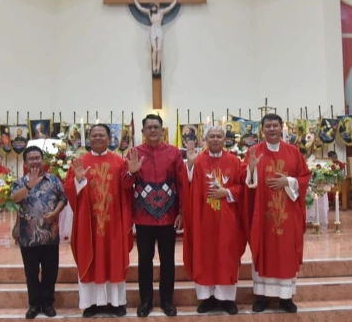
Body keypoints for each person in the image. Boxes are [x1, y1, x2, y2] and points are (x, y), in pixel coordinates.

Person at [64, 124, 135, 317]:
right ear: (89, 138)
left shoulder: (119, 162)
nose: (97, 138)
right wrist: (78, 181)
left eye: (101, 135)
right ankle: (91, 303)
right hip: (90, 223)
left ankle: (116, 302)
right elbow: (69, 190)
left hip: (113, 223)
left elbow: (128, 189)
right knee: (92, 257)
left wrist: (132, 174)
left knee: (114, 259)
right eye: (93, 135)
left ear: (109, 137)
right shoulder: (79, 162)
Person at [243, 114, 311, 314]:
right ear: (262, 129)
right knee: (263, 251)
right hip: (263, 215)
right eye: (268, 126)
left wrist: (288, 182)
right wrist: (252, 169)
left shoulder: (293, 152)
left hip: (287, 214)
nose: (271, 129)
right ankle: (261, 296)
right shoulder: (254, 152)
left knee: (285, 253)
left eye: (275, 125)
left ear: (282, 128)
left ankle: (286, 298)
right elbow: (245, 181)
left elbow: (304, 177)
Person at [183, 127, 246, 315]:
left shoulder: (234, 161)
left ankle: (227, 300)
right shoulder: (199, 160)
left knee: (226, 257)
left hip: (228, 221)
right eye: (212, 136)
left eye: (219, 136)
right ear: (206, 138)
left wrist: (226, 192)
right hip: (203, 219)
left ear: (225, 139)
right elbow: (187, 185)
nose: (216, 139)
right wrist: (190, 165)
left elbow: (243, 187)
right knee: (205, 256)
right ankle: (207, 299)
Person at [129, 114, 186, 317]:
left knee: (167, 260)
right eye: (149, 127)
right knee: (144, 260)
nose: (153, 130)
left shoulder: (174, 153)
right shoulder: (133, 153)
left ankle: (167, 301)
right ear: (143, 132)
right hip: (143, 217)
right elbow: (125, 186)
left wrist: (181, 212)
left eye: (156, 127)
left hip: (168, 216)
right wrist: (130, 172)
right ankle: (145, 301)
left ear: (162, 131)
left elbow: (182, 184)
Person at [11, 146, 67, 319]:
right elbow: (14, 198)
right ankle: (34, 304)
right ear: (25, 162)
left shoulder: (53, 180)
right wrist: (29, 185)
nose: (35, 161)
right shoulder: (20, 182)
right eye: (31, 158)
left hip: (50, 234)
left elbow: (63, 198)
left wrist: (56, 213)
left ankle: (48, 303)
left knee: (51, 271)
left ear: (43, 160)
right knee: (31, 272)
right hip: (28, 237)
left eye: (37, 158)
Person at [129, 0, 181, 74]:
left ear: (156, 7)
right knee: (155, 49)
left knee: (159, 49)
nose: (153, 9)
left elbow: (170, 6)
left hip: (159, 29)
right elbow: (139, 7)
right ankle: (153, 65)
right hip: (153, 30)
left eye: (154, 7)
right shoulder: (149, 12)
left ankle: (158, 65)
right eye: (151, 8)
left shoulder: (161, 12)